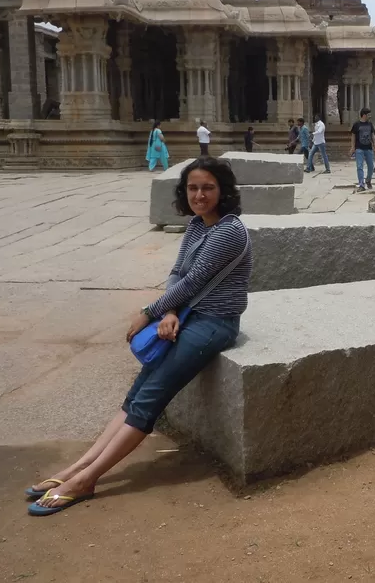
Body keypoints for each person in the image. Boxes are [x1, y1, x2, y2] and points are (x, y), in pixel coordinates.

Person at [26, 157, 252, 516]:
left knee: (150, 396)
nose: (199, 195)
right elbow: (179, 274)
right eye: (192, 187)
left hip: (214, 323)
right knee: (138, 391)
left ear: (223, 191)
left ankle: (88, 479)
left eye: (208, 187)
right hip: (188, 314)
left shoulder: (229, 230)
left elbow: (197, 281)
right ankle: (76, 468)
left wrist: (149, 311)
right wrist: (170, 311)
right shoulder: (196, 226)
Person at [349, 107, 375, 192]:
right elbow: (353, 136)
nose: (370, 116)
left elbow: (373, 135)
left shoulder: (370, 124)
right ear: (364, 115)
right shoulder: (357, 124)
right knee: (359, 166)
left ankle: (368, 180)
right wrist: (353, 147)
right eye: (368, 114)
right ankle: (361, 184)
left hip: (368, 148)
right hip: (359, 148)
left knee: (371, 166)